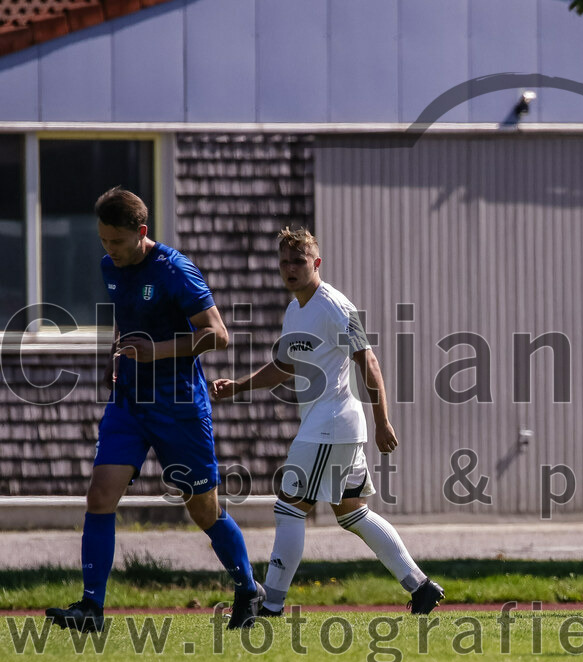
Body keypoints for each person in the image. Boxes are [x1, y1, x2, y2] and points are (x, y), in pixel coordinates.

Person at [46, 187, 264, 633]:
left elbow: (218, 335)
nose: (109, 250)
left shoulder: (174, 270)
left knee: (203, 510)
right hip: (128, 403)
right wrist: (118, 352)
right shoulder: (111, 266)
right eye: (103, 240)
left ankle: (248, 588)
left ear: (141, 233)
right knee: (100, 495)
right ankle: (91, 607)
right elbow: (126, 318)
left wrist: (155, 351)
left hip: (179, 406)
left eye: (118, 242)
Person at [210, 227, 444, 616]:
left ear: (316, 263)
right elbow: (284, 366)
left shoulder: (335, 305)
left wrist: (383, 420)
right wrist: (238, 386)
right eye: (284, 262)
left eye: (298, 262)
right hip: (330, 426)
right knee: (352, 512)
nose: (290, 269)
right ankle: (420, 587)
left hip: (331, 425)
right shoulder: (294, 310)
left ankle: (270, 605)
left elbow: (367, 360)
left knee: (289, 506)